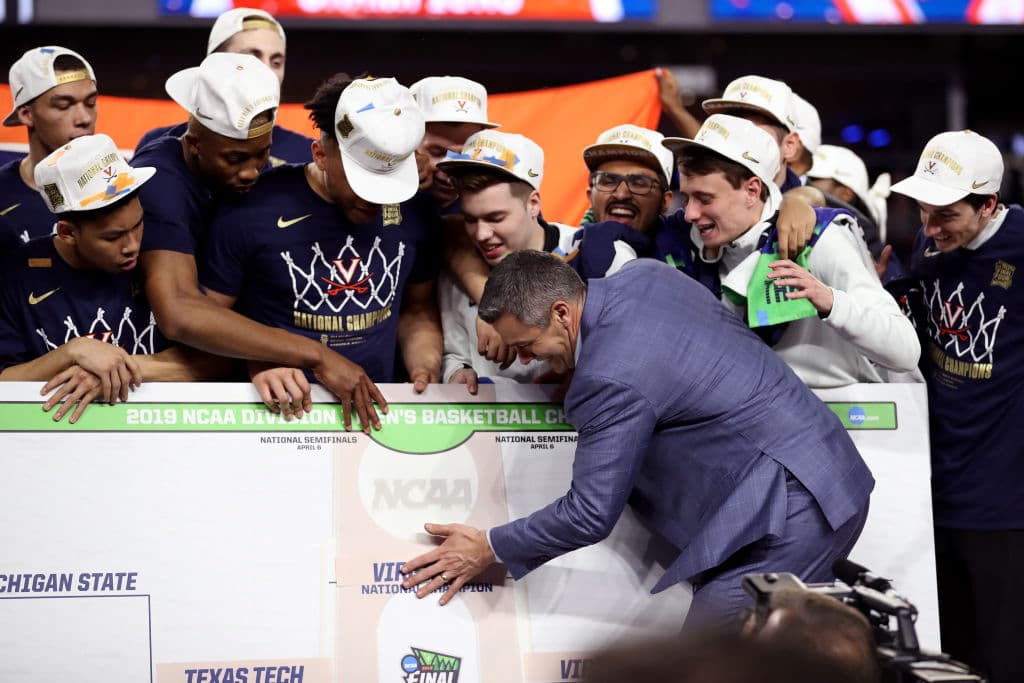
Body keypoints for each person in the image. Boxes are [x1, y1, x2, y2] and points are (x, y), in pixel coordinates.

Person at [401, 251, 873, 624]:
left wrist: (490, 546)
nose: (524, 360)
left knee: (709, 661)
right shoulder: (645, 275)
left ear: (563, 313)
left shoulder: (608, 378)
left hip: (791, 513)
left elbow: (588, 514)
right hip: (826, 471)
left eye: (527, 345)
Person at [135, 54, 386, 430]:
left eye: (262, 153)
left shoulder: (252, 175)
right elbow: (179, 313)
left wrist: (261, 356)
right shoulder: (160, 182)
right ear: (195, 143)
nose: (252, 171)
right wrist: (316, 355)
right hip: (157, 366)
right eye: (235, 158)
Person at [200, 75, 442, 398]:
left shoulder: (417, 206)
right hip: (275, 421)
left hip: (382, 417)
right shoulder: (250, 209)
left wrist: (425, 364)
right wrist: (258, 360)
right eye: (362, 181)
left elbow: (418, 307)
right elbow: (205, 320)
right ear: (320, 154)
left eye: (388, 183)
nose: (377, 198)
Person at [890, 129, 1024, 683]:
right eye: (923, 211)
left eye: (945, 215)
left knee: (1006, 661)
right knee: (952, 662)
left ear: (989, 204)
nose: (930, 228)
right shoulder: (929, 247)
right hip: (934, 496)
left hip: (1007, 509)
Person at [664, 113, 919, 387]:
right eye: (687, 197)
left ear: (752, 190)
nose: (690, 212)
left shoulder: (820, 237)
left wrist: (830, 302)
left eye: (704, 199)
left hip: (842, 420)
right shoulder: (687, 242)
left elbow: (904, 351)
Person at [0, 134, 220, 423]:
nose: (132, 245)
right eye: (113, 237)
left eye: (139, 224)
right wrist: (74, 351)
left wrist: (116, 370)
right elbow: (5, 379)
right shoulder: (16, 275)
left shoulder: (166, 253)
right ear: (67, 233)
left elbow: (217, 361)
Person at [435, 129, 635, 391]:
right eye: (470, 219)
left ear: (533, 204)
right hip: (491, 428)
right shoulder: (458, 270)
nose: (482, 234)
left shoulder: (605, 256)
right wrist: (457, 374)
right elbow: (454, 354)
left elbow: (635, 350)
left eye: (496, 218)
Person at [134, 7, 312, 166]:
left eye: (276, 62)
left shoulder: (306, 156)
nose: (267, 72)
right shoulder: (158, 144)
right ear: (215, 64)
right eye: (252, 59)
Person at [0, 46, 98, 252]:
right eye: (63, 105)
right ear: (27, 114)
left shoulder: (125, 184)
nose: (85, 118)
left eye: (90, 102)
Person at [410, 75, 499, 211]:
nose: (452, 166)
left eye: (466, 153)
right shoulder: (375, 202)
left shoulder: (505, 199)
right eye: (437, 152)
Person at [581, 123, 674, 234]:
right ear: (590, 195)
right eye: (608, 182)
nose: (621, 195)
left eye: (639, 183)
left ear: (665, 201)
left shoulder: (689, 249)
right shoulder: (561, 245)